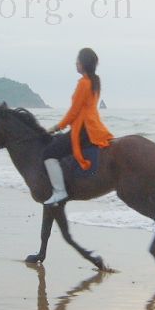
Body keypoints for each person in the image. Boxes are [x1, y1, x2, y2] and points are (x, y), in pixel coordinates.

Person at [43, 48, 114, 205]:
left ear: (83, 64)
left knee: (49, 154)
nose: (76, 63)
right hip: (92, 126)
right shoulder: (94, 81)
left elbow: (74, 112)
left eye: (78, 60)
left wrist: (56, 127)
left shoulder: (84, 83)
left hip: (83, 129)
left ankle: (60, 192)